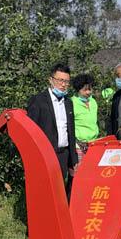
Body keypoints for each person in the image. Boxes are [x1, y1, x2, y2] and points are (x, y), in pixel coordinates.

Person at [27, 63, 77, 195]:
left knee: (61, 190)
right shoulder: (38, 101)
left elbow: (71, 132)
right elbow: (31, 131)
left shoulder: (68, 102)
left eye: (66, 81)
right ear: (51, 80)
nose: (63, 84)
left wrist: (74, 159)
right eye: (60, 80)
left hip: (64, 154)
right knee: (46, 190)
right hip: (46, 154)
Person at [71, 73, 99, 163]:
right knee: (79, 173)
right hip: (79, 146)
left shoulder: (93, 102)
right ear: (78, 90)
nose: (88, 92)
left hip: (93, 144)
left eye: (90, 89)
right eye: (85, 90)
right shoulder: (72, 103)